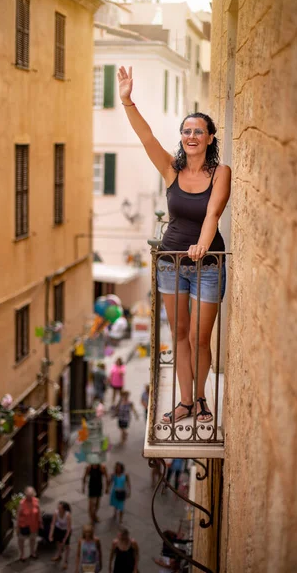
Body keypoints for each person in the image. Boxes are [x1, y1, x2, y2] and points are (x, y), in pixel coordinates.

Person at [118, 66, 231, 425]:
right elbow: (147, 137)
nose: (191, 136)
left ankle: (200, 399)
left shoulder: (221, 173)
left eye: (199, 131)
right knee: (179, 334)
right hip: (170, 262)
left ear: (210, 137)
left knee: (200, 337)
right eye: (186, 131)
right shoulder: (171, 170)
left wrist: (201, 245)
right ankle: (185, 402)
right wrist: (127, 100)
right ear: (181, 137)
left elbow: (213, 213)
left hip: (207, 263)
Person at [16, 486, 42, 561]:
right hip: (24, 526)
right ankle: (22, 554)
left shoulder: (36, 501)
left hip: (34, 525)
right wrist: (17, 527)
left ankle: (32, 552)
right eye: (28, 495)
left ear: (33, 494)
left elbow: (38, 512)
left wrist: (40, 522)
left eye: (30, 495)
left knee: (33, 539)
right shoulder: (21, 503)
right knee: (21, 540)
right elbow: (18, 515)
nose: (29, 497)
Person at [49, 501, 72, 569]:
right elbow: (53, 524)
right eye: (58, 508)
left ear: (64, 509)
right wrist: (51, 534)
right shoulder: (56, 513)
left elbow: (68, 528)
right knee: (58, 543)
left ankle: (66, 561)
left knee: (67, 546)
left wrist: (65, 539)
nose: (58, 509)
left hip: (65, 530)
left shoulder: (67, 515)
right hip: (58, 529)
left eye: (60, 508)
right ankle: (59, 555)